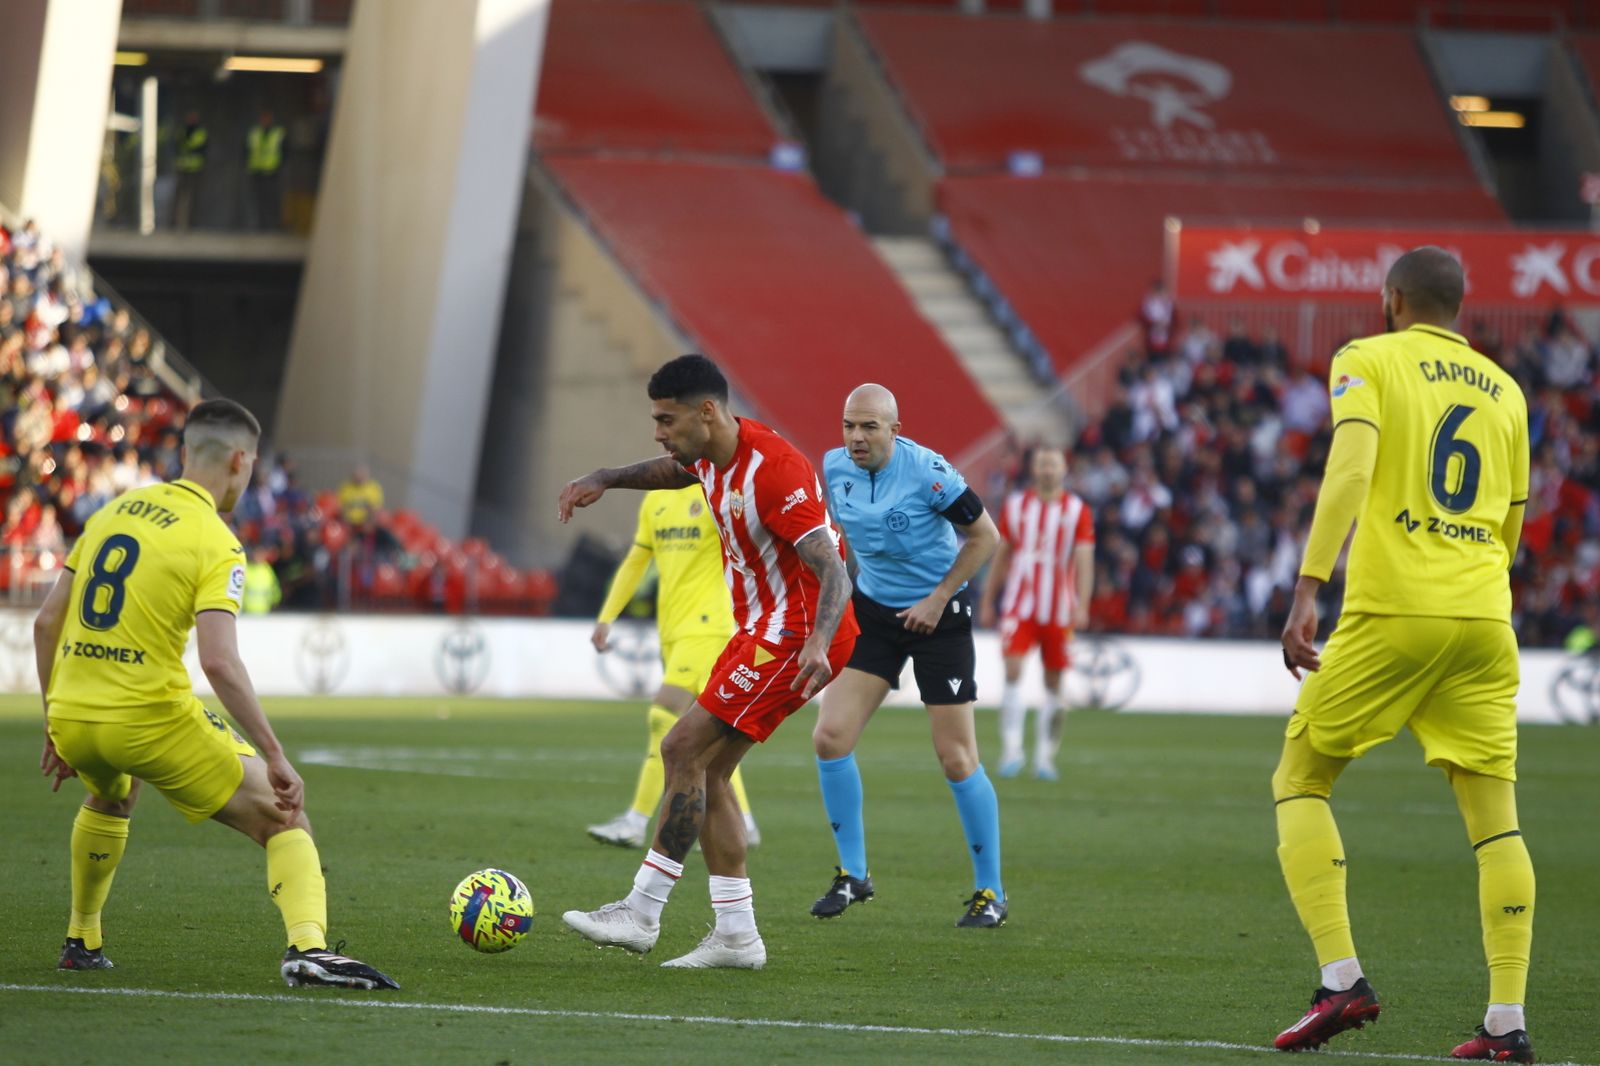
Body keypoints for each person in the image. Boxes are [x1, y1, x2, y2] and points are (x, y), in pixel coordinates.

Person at [1272, 247, 1534, 1062]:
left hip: (1395, 608)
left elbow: (1350, 469)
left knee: (1300, 779)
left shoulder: (1367, 359)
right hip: (1486, 617)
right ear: (1461, 305)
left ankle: (1343, 979)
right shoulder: (1509, 392)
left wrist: (1309, 586)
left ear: (1391, 300)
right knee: (1498, 827)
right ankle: (1505, 1022)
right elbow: (1515, 522)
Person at [35, 398, 396, 989]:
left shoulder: (112, 512)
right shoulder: (216, 539)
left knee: (114, 796)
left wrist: (55, 724)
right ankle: (310, 947)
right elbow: (220, 661)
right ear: (238, 461)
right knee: (286, 817)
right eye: (251, 464)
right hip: (148, 720)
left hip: (75, 714)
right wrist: (276, 755)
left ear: (183, 453)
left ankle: (82, 938)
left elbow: (47, 622)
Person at [556, 354, 857, 970]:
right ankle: (737, 935)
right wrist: (606, 477)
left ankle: (641, 913)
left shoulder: (775, 471)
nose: (658, 431)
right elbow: (672, 470)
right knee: (710, 772)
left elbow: (834, 568)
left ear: (708, 412)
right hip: (760, 631)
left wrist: (818, 644)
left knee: (680, 749)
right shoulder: (708, 457)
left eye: (666, 419)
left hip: (795, 635)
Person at [811, 384, 1006, 927]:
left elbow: (986, 537)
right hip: (875, 613)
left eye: (869, 426)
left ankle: (991, 892)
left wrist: (938, 598)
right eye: (849, 425)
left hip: (939, 618)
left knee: (956, 757)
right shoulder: (834, 468)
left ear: (895, 430)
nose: (856, 437)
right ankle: (854, 875)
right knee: (829, 737)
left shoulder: (931, 474)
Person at [587, 485, 762, 849]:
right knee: (713, 733)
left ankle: (636, 821)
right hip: (671, 630)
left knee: (664, 714)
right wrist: (607, 616)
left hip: (708, 627)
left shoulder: (715, 496)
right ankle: (743, 822)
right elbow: (637, 561)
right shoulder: (656, 500)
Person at [978, 446, 1095, 780]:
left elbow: (1085, 560)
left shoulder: (1077, 511)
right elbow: (1002, 555)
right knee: (1013, 670)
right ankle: (1012, 751)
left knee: (1054, 682)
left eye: (1053, 464)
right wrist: (989, 599)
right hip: (1020, 604)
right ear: (1034, 468)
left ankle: (1045, 757)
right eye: (1042, 464)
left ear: (1063, 469)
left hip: (1059, 609)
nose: (1047, 470)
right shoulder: (1016, 507)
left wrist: (1083, 604)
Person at [245, 111, 285, 231]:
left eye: (267, 119)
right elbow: (246, 150)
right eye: (263, 119)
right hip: (257, 172)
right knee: (258, 201)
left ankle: (273, 226)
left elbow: (285, 151)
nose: (265, 122)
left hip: (272, 172)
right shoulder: (255, 133)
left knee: (272, 201)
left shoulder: (278, 133)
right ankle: (260, 226)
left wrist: (280, 166)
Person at [173, 112, 207, 231]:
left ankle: (192, 224)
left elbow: (200, 149)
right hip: (182, 168)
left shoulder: (200, 133)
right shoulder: (182, 131)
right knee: (179, 198)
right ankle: (176, 224)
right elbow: (176, 147)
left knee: (194, 198)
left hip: (195, 169)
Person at [337, 463, 384, 530]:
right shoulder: (345, 487)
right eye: (358, 473)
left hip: (365, 523)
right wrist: (344, 521)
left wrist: (369, 522)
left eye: (363, 473)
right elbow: (339, 508)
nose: (360, 476)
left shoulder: (374, 488)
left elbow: (376, 510)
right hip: (347, 523)